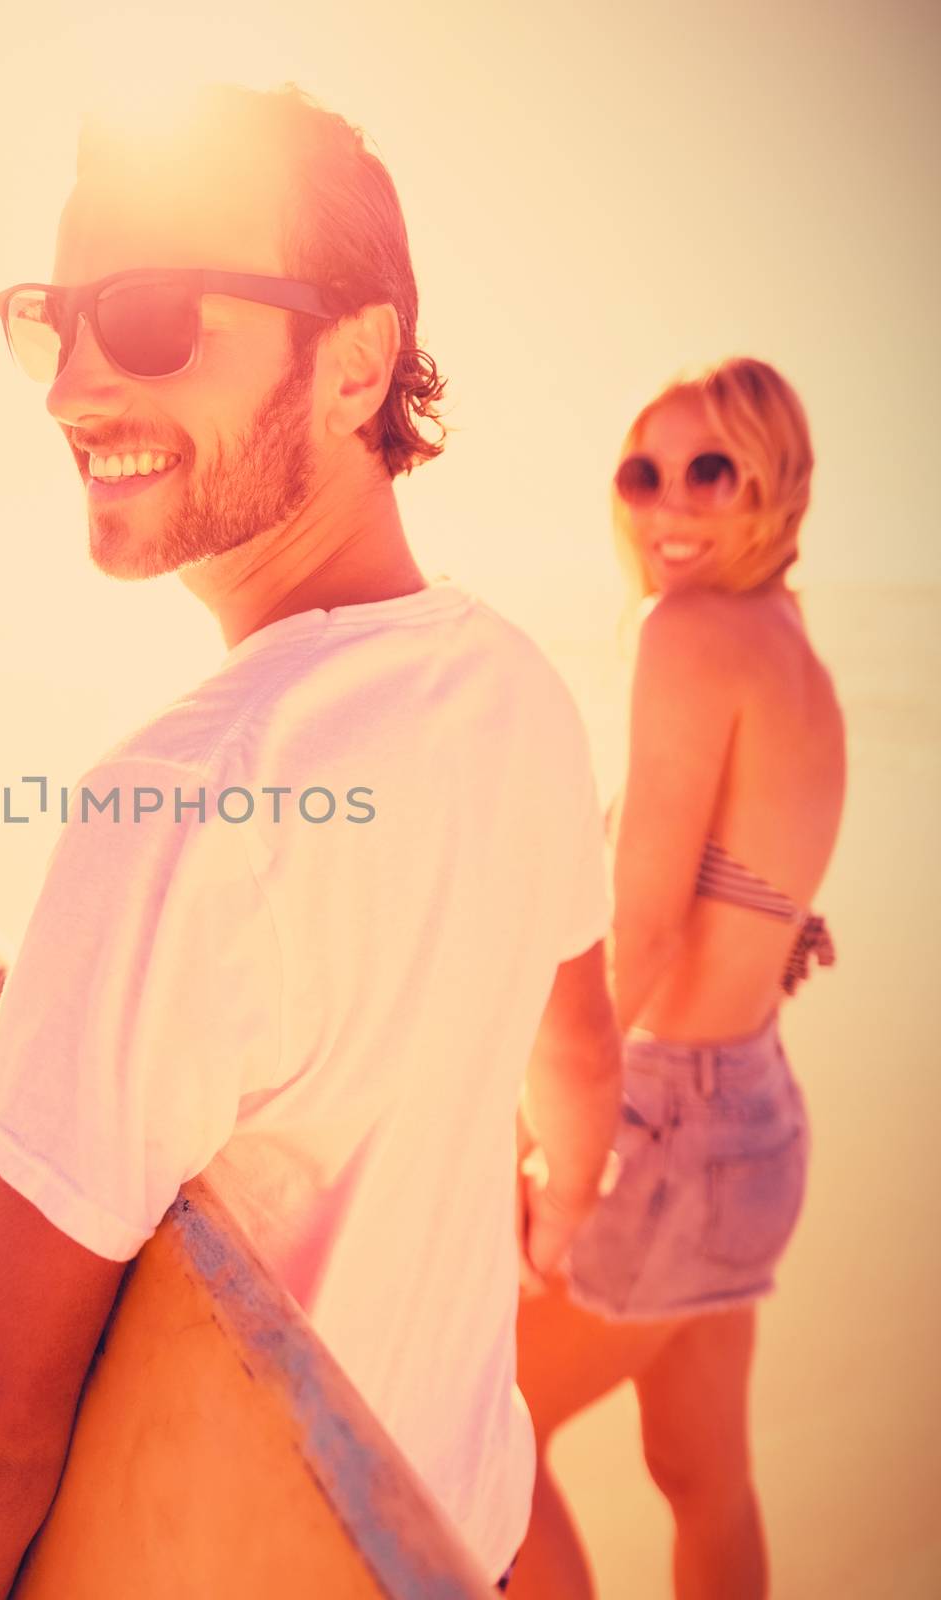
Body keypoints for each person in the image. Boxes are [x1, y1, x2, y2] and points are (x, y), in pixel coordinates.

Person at [0, 82, 622, 1599]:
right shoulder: (522, 692)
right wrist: (549, 1210)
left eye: (149, 318)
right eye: (52, 320)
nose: (67, 387)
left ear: (358, 362)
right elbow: (576, 1060)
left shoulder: (190, 805)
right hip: (468, 1547)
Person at [511, 358, 845, 1600]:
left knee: (474, 1440)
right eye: (641, 472)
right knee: (704, 1475)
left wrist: (556, 1149)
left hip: (669, 1135)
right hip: (753, 1123)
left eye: (709, 469)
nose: (669, 504)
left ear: (771, 479)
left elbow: (639, 937)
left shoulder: (689, 634)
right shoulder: (788, 642)